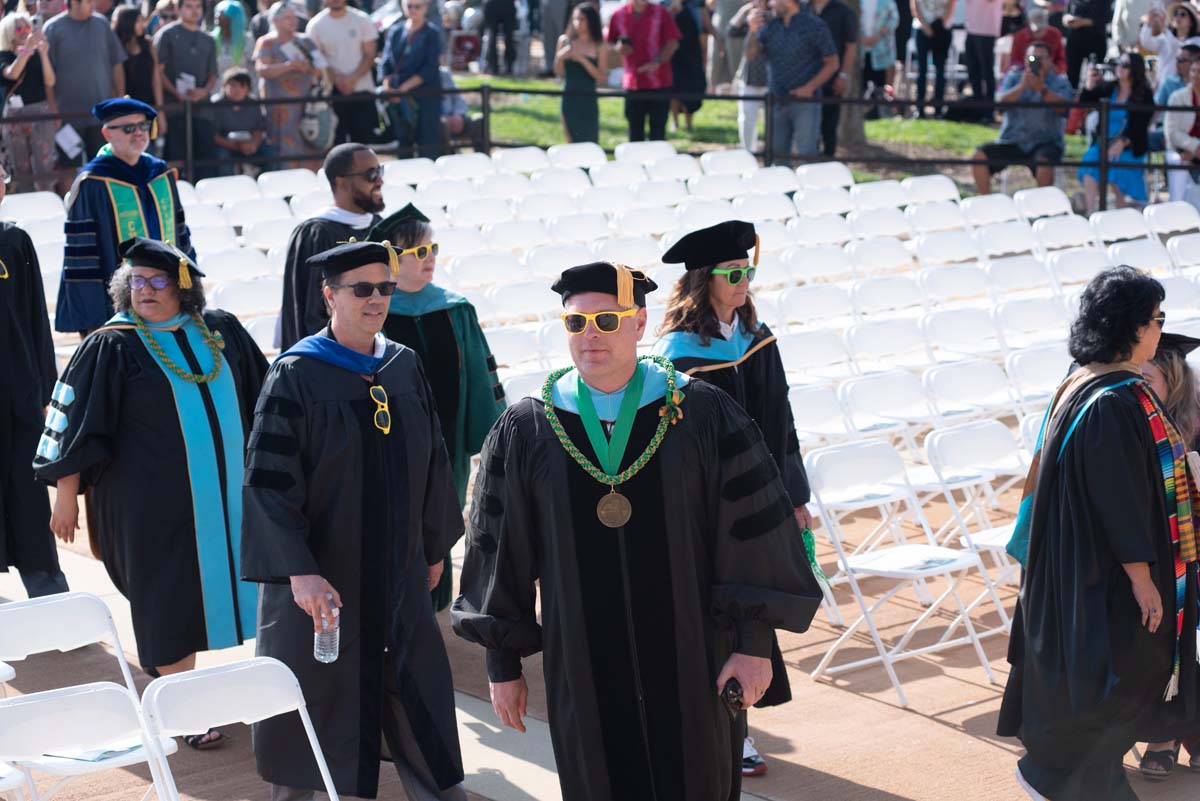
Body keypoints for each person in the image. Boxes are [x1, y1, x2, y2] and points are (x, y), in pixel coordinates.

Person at [452, 260, 825, 801]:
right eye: (576, 323)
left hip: (695, 656)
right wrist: (501, 662)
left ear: (639, 323)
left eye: (607, 321)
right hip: (584, 664)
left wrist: (752, 645)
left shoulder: (699, 411)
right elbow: (499, 552)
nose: (590, 335)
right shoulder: (529, 428)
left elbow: (750, 539)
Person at [241, 240, 467, 801]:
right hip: (324, 580)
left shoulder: (401, 364)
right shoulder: (296, 373)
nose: (376, 299)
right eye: (361, 288)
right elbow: (268, 481)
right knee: (312, 704)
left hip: (398, 571)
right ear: (329, 296)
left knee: (417, 691)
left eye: (384, 288)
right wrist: (299, 571)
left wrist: (432, 546)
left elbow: (435, 461)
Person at [34, 237, 266, 748]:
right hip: (151, 508)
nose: (145, 290)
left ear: (184, 288)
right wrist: (66, 494)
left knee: (253, 585)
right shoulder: (111, 344)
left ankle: (260, 694)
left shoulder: (221, 331)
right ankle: (184, 709)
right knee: (167, 599)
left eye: (158, 281)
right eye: (136, 281)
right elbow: (78, 421)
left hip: (230, 500)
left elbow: (265, 397)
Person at [998, 266, 1183, 801]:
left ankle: (1089, 780)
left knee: (1107, 676)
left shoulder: (1090, 380)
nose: (1160, 329)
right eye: (1156, 319)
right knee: (1125, 671)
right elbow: (1117, 498)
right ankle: (1056, 778)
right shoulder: (1110, 400)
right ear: (1131, 325)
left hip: (1083, 563)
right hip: (1104, 572)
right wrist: (1142, 579)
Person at [652, 220, 814, 779]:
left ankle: (737, 720)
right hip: (706, 511)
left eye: (748, 270)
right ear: (705, 279)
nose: (744, 281)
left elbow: (782, 422)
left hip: (759, 504)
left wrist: (794, 497)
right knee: (716, 617)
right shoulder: (676, 356)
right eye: (733, 272)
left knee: (752, 615)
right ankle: (729, 731)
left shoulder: (757, 337)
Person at [371, 203, 506, 611]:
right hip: (388, 442)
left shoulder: (454, 308)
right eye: (419, 251)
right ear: (393, 257)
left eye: (432, 249)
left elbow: (480, 377)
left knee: (440, 518)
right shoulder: (373, 311)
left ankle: (434, 609)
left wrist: (489, 434)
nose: (429, 258)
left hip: (446, 441)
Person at [55, 97, 194, 334]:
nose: (138, 133)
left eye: (143, 126)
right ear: (107, 133)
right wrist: (94, 315)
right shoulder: (93, 182)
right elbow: (83, 254)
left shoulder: (160, 173)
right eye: (129, 128)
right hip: (117, 305)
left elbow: (180, 233)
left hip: (167, 293)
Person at [0, 162, 67, 600]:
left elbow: (35, 319)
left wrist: (45, 389)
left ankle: (48, 593)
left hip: (18, 394)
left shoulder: (14, 241)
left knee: (27, 496)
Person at [1136, 331, 1200, 780]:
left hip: (1193, 546)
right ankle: (1165, 734)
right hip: (1160, 553)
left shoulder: (1196, 422)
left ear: (1173, 381)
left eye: (1149, 379)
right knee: (1165, 642)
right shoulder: (1131, 423)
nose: (1140, 388)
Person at [279, 142, 384, 350]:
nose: (380, 180)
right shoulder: (316, 233)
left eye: (380, 171)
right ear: (341, 182)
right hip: (331, 355)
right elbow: (309, 311)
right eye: (371, 174)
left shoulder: (380, 227)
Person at [971, 40, 1072, 194]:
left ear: (1050, 60)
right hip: (1012, 141)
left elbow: (1064, 109)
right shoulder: (1013, 77)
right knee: (979, 157)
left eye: (1041, 58)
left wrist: (1042, 89)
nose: (1036, 62)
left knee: (1045, 165)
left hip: (1045, 142)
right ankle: (986, 202)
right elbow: (999, 105)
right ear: (1025, 60)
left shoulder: (1060, 82)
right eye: (1032, 58)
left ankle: (1044, 207)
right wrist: (1022, 87)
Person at [745, 0, 839, 164]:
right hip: (777, 101)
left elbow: (832, 62)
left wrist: (809, 88)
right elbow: (750, 55)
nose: (771, 4)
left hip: (806, 103)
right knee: (778, 160)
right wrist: (752, 31)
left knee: (807, 156)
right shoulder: (769, 26)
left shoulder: (814, 25)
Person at [42, 0, 127, 163]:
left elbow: (117, 63)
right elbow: (46, 74)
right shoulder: (53, 28)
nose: (92, 5)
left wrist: (120, 99)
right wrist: (53, 110)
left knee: (102, 165)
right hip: (67, 118)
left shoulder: (102, 24)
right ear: (74, 2)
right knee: (69, 167)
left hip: (101, 115)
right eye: (88, 2)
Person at [1077, 51, 1152, 213]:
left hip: (1130, 146)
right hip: (1104, 143)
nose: (1120, 68)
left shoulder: (1144, 93)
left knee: (1117, 169)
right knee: (1090, 161)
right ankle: (1091, 213)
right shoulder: (1109, 87)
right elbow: (1084, 102)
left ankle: (1121, 218)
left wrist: (1123, 142)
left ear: (1135, 69)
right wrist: (1089, 84)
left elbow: (1140, 125)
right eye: (1118, 63)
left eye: (1125, 65)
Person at [254, 1, 323, 168]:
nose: (293, 21)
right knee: (280, 151)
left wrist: (307, 67)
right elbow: (262, 70)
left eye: (294, 17)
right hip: (277, 109)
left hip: (305, 108)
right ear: (275, 20)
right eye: (287, 18)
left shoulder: (306, 41)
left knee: (308, 145)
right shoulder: (267, 42)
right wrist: (289, 66)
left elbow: (321, 69)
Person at [605, 0, 681, 142]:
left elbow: (673, 42)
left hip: (659, 82)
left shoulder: (660, 13)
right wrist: (618, 48)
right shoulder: (618, 14)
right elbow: (609, 43)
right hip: (632, 82)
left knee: (657, 134)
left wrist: (657, 61)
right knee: (635, 133)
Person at [155, 0, 218, 168]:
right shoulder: (166, 35)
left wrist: (204, 91)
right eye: (189, 6)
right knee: (177, 162)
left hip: (202, 110)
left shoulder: (208, 39)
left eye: (198, 6)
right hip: (174, 109)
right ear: (178, 9)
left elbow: (213, 74)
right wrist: (177, 93)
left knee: (205, 162)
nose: (194, 11)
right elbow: (158, 73)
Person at [306, 0, 378, 145]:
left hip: (362, 91)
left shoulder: (362, 19)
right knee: (337, 146)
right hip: (332, 95)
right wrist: (337, 80)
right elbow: (317, 59)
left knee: (363, 146)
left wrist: (353, 78)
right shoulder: (315, 25)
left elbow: (370, 54)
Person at [0, 13, 57, 192]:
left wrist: (44, 54)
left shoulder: (38, 53)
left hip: (40, 112)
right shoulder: (4, 55)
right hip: (14, 117)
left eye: (27, 28)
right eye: (19, 28)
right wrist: (27, 50)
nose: (25, 32)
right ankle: (25, 199)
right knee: (20, 167)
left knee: (44, 165)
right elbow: (12, 74)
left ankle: (47, 198)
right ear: (9, 32)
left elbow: (50, 81)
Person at [380, 0, 443, 158]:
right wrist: (388, 87)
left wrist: (403, 89)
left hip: (424, 95)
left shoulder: (432, 33)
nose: (413, 10)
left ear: (425, 8)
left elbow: (430, 68)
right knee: (403, 141)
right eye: (409, 6)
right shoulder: (396, 31)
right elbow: (385, 62)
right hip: (398, 96)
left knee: (427, 141)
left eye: (417, 6)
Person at [554, 2, 604, 143]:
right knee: (571, 141)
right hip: (569, 97)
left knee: (590, 141)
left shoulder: (598, 45)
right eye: (575, 19)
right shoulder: (564, 41)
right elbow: (558, 72)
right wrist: (560, 57)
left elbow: (601, 78)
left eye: (582, 19)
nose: (578, 23)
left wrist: (582, 60)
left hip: (588, 99)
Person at [811, 0, 857, 156]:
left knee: (829, 127)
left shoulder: (844, 12)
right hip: (806, 78)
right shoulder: (803, 9)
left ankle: (828, 161)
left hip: (832, 79)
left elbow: (851, 46)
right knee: (809, 129)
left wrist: (844, 75)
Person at [729, 0, 770, 151]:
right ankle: (748, 152)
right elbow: (731, 31)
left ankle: (771, 153)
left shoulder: (778, 15)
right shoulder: (749, 16)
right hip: (750, 77)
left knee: (773, 121)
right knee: (746, 119)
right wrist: (744, 10)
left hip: (771, 78)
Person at [211, 67, 268, 173]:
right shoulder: (216, 104)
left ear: (248, 89)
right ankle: (228, 183)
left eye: (242, 86)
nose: (237, 90)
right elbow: (214, 137)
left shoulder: (253, 104)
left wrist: (254, 145)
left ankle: (265, 181)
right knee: (222, 156)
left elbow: (258, 132)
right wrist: (236, 146)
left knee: (270, 152)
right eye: (233, 85)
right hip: (226, 146)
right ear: (224, 86)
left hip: (248, 145)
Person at [113, 7, 165, 111]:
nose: (143, 24)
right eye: (138, 21)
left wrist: (160, 109)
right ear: (128, 22)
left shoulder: (148, 44)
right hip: (127, 105)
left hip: (149, 104)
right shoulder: (117, 46)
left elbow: (156, 78)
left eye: (142, 20)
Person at [1140, 2, 1200, 91]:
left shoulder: (1196, 41)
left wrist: (1164, 29)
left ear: (1191, 22)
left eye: (1182, 15)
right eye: (1176, 14)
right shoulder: (1166, 38)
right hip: (1161, 87)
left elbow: (1179, 49)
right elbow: (1146, 43)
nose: (1178, 17)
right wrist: (1149, 23)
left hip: (1182, 88)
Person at [910, 0, 955, 116]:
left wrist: (939, 23)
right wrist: (926, 27)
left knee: (940, 70)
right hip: (922, 28)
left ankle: (938, 108)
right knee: (922, 69)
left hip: (942, 29)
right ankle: (920, 108)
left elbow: (951, 4)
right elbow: (915, 6)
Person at [669, 0, 706, 132]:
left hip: (692, 53)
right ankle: (675, 122)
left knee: (691, 88)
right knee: (674, 89)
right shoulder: (666, 4)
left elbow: (703, 29)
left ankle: (689, 124)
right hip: (673, 53)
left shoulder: (696, 4)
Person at [1166, 57, 1200, 194]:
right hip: (1180, 150)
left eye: (1199, 71)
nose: (1195, 75)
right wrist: (1194, 147)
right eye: (1193, 71)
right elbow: (1172, 132)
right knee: (1178, 162)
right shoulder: (1177, 97)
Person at [964, 0, 1002, 117]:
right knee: (973, 72)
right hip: (971, 30)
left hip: (987, 31)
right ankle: (977, 108)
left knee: (987, 72)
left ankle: (989, 110)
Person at [1062, 0, 1109, 87]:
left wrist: (1083, 22)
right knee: (1072, 74)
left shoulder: (1103, 2)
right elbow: (1065, 16)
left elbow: (1107, 18)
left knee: (1094, 75)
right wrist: (1068, 20)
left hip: (1096, 41)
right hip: (1075, 41)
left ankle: (1092, 94)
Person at [1010, 5, 1066, 73]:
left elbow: (1061, 59)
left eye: (1042, 27)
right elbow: (1015, 61)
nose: (1040, 30)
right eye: (1037, 29)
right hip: (1024, 72)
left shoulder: (1055, 34)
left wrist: (1056, 68)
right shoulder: (1020, 37)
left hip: (1049, 72)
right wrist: (1024, 68)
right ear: (1029, 23)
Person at [858, 0, 899, 93]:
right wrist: (861, 38)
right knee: (863, 87)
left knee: (880, 87)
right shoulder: (857, 2)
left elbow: (894, 19)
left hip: (881, 51)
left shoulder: (887, 2)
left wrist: (879, 36)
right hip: (861, 52)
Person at [213, 0, 254, 77]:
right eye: (217, 12)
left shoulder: (247, 40)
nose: (217, 15)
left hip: (241, 83)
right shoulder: (211, 40)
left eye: (222, 13)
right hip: (217, 84)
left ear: (234, 17)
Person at [482, 0, 516, 74]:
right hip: (507, 5)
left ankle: (494, 67)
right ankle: (508, 67)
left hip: (493, 4)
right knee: (508, 38)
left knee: (493, 38)